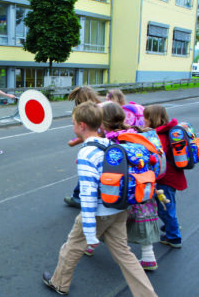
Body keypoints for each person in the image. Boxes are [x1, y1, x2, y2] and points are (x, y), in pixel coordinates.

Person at [42, 101, 158, 297]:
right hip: (120, 209)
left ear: (82, 125)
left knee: (71, 248)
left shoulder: (87, 153)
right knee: (125, 254)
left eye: (73, 123)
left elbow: (87, 194)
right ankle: (148, 295)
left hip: (99, 213)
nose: (73, 127)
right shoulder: (111, 144)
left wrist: (89, 233)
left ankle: (59, 284)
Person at [86, 103, 160, 270]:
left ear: (102, 123)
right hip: (143, 186)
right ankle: (149, 257)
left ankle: (89, 245)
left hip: (121, 191)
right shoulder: (137, 133)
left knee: (104, 219)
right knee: (142, 218)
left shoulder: (109, 141)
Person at [143, 105, 187, 248]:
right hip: (172, 177)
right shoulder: (167, 132)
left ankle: (174, 237)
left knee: (165, 208)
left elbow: (156, 158)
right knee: (167, 206)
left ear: (152, 119)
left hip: (166, 179)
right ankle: (171, 226)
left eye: (146, 117)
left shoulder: (160, 137)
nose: (143, 120)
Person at [64, 86, 102, 208]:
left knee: (88, 169)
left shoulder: (93, 111)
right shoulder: (102, 106)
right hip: (107, 146)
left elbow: (93, 132)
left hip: (97, 148)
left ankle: (79, 197)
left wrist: (74, 142)